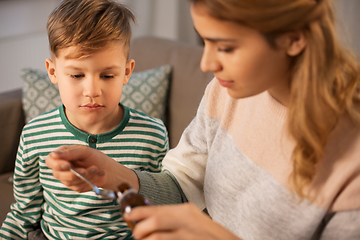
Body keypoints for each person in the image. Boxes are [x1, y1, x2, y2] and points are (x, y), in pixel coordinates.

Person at [45, 0, 360, 239]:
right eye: (204, 41)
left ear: (294, 39)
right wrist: (110, 174)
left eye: (225, 47)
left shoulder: (351, 160)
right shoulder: (226, 93)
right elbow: (183, 187)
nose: (207, 63)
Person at [0, 0, 169, 239]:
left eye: (107, 75)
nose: (92, 90)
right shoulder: (34, 135)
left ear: (127, 72)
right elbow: (24, 213)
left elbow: (160, 206)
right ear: (53, 72)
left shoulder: (151, 134)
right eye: (77, 74)